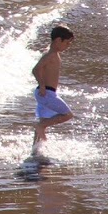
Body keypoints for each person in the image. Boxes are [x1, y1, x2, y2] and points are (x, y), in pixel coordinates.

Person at [31, 25, 76, 163]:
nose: (68, 46)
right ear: (58, 40)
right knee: (67, 114)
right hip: (46, 93)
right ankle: (41, 127)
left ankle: (35, 152)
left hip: (47, 92)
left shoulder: (54, 55)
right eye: (66, 42)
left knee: (42, 122)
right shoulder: (50, 55)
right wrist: (43, 85)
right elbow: (35, 70)